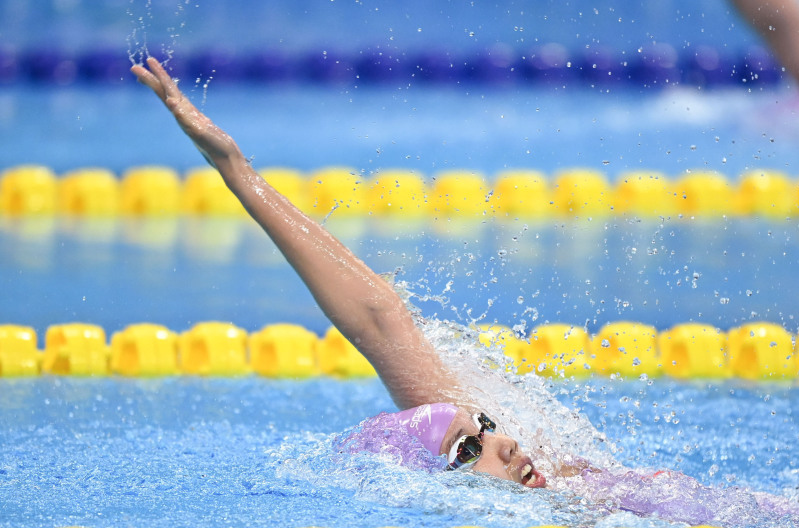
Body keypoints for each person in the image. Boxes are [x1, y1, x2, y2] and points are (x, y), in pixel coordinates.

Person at [131, 57, 547, 489]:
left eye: (486, 425)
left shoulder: (555, 475)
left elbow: (380, 316)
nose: (507, 444)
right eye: (467, 449)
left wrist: (236, 168)